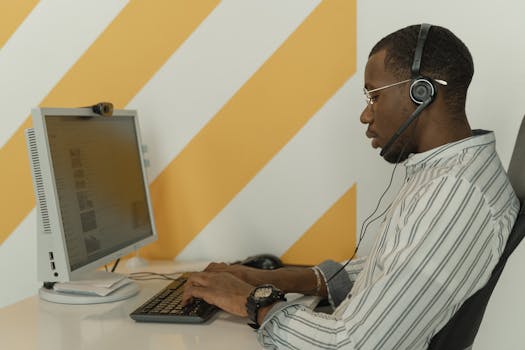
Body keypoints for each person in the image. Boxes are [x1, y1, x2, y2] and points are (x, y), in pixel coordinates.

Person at [182, 24, 519, 349]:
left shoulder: (452, 194)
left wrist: (251, 301)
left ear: (421, 92)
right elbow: (397, 273)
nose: (365, 115)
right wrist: (277, 279)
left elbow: (354, 344)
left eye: (374, 96)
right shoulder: (455, 174)